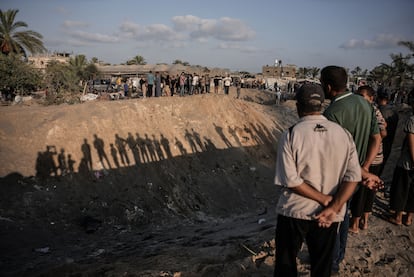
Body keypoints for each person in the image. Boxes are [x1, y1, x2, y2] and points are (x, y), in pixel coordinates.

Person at [274, 83, 362, 277]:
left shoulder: (291, 135)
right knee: (322, 265)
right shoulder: (343, 134)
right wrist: (333, 206)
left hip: (294, 210)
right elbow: (353, 177)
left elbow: (290, 180)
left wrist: (324, 200)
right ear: (322, 105)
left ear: (298, 106)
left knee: (285, 263)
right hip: (329, 215)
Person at [320, 65, 382, 275]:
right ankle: (339, 255)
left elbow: (333, 154)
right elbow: (377, 138)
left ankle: (333, 262)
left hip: (338, 177)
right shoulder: (365, 104)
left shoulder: (331, 113)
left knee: (335, 217)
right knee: (344, 215)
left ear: (328, 86)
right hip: (358, 175)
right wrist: (364, 167)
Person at [349, 86, 387, 233]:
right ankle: (364, 221)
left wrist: (369, 138)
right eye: (357, 95)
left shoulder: (371, 111)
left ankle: (355, 223)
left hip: (370, 160)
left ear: (371, 98)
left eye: (362, 96)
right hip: (374, 158)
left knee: (362, 192)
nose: (359, 99)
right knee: (369, 192)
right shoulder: (370, 110)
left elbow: (383, 132)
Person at [389, 91, 414, 226]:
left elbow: (411, 143)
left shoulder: (412, 120)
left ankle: (398, 216)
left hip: (407, 163)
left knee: (401, 189)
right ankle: (409, 218)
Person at [376, 91, 399, 175]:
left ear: (378, 98)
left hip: (378, 143)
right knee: (382, 166)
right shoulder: (394, 112)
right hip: (389, 142)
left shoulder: (379, 111)